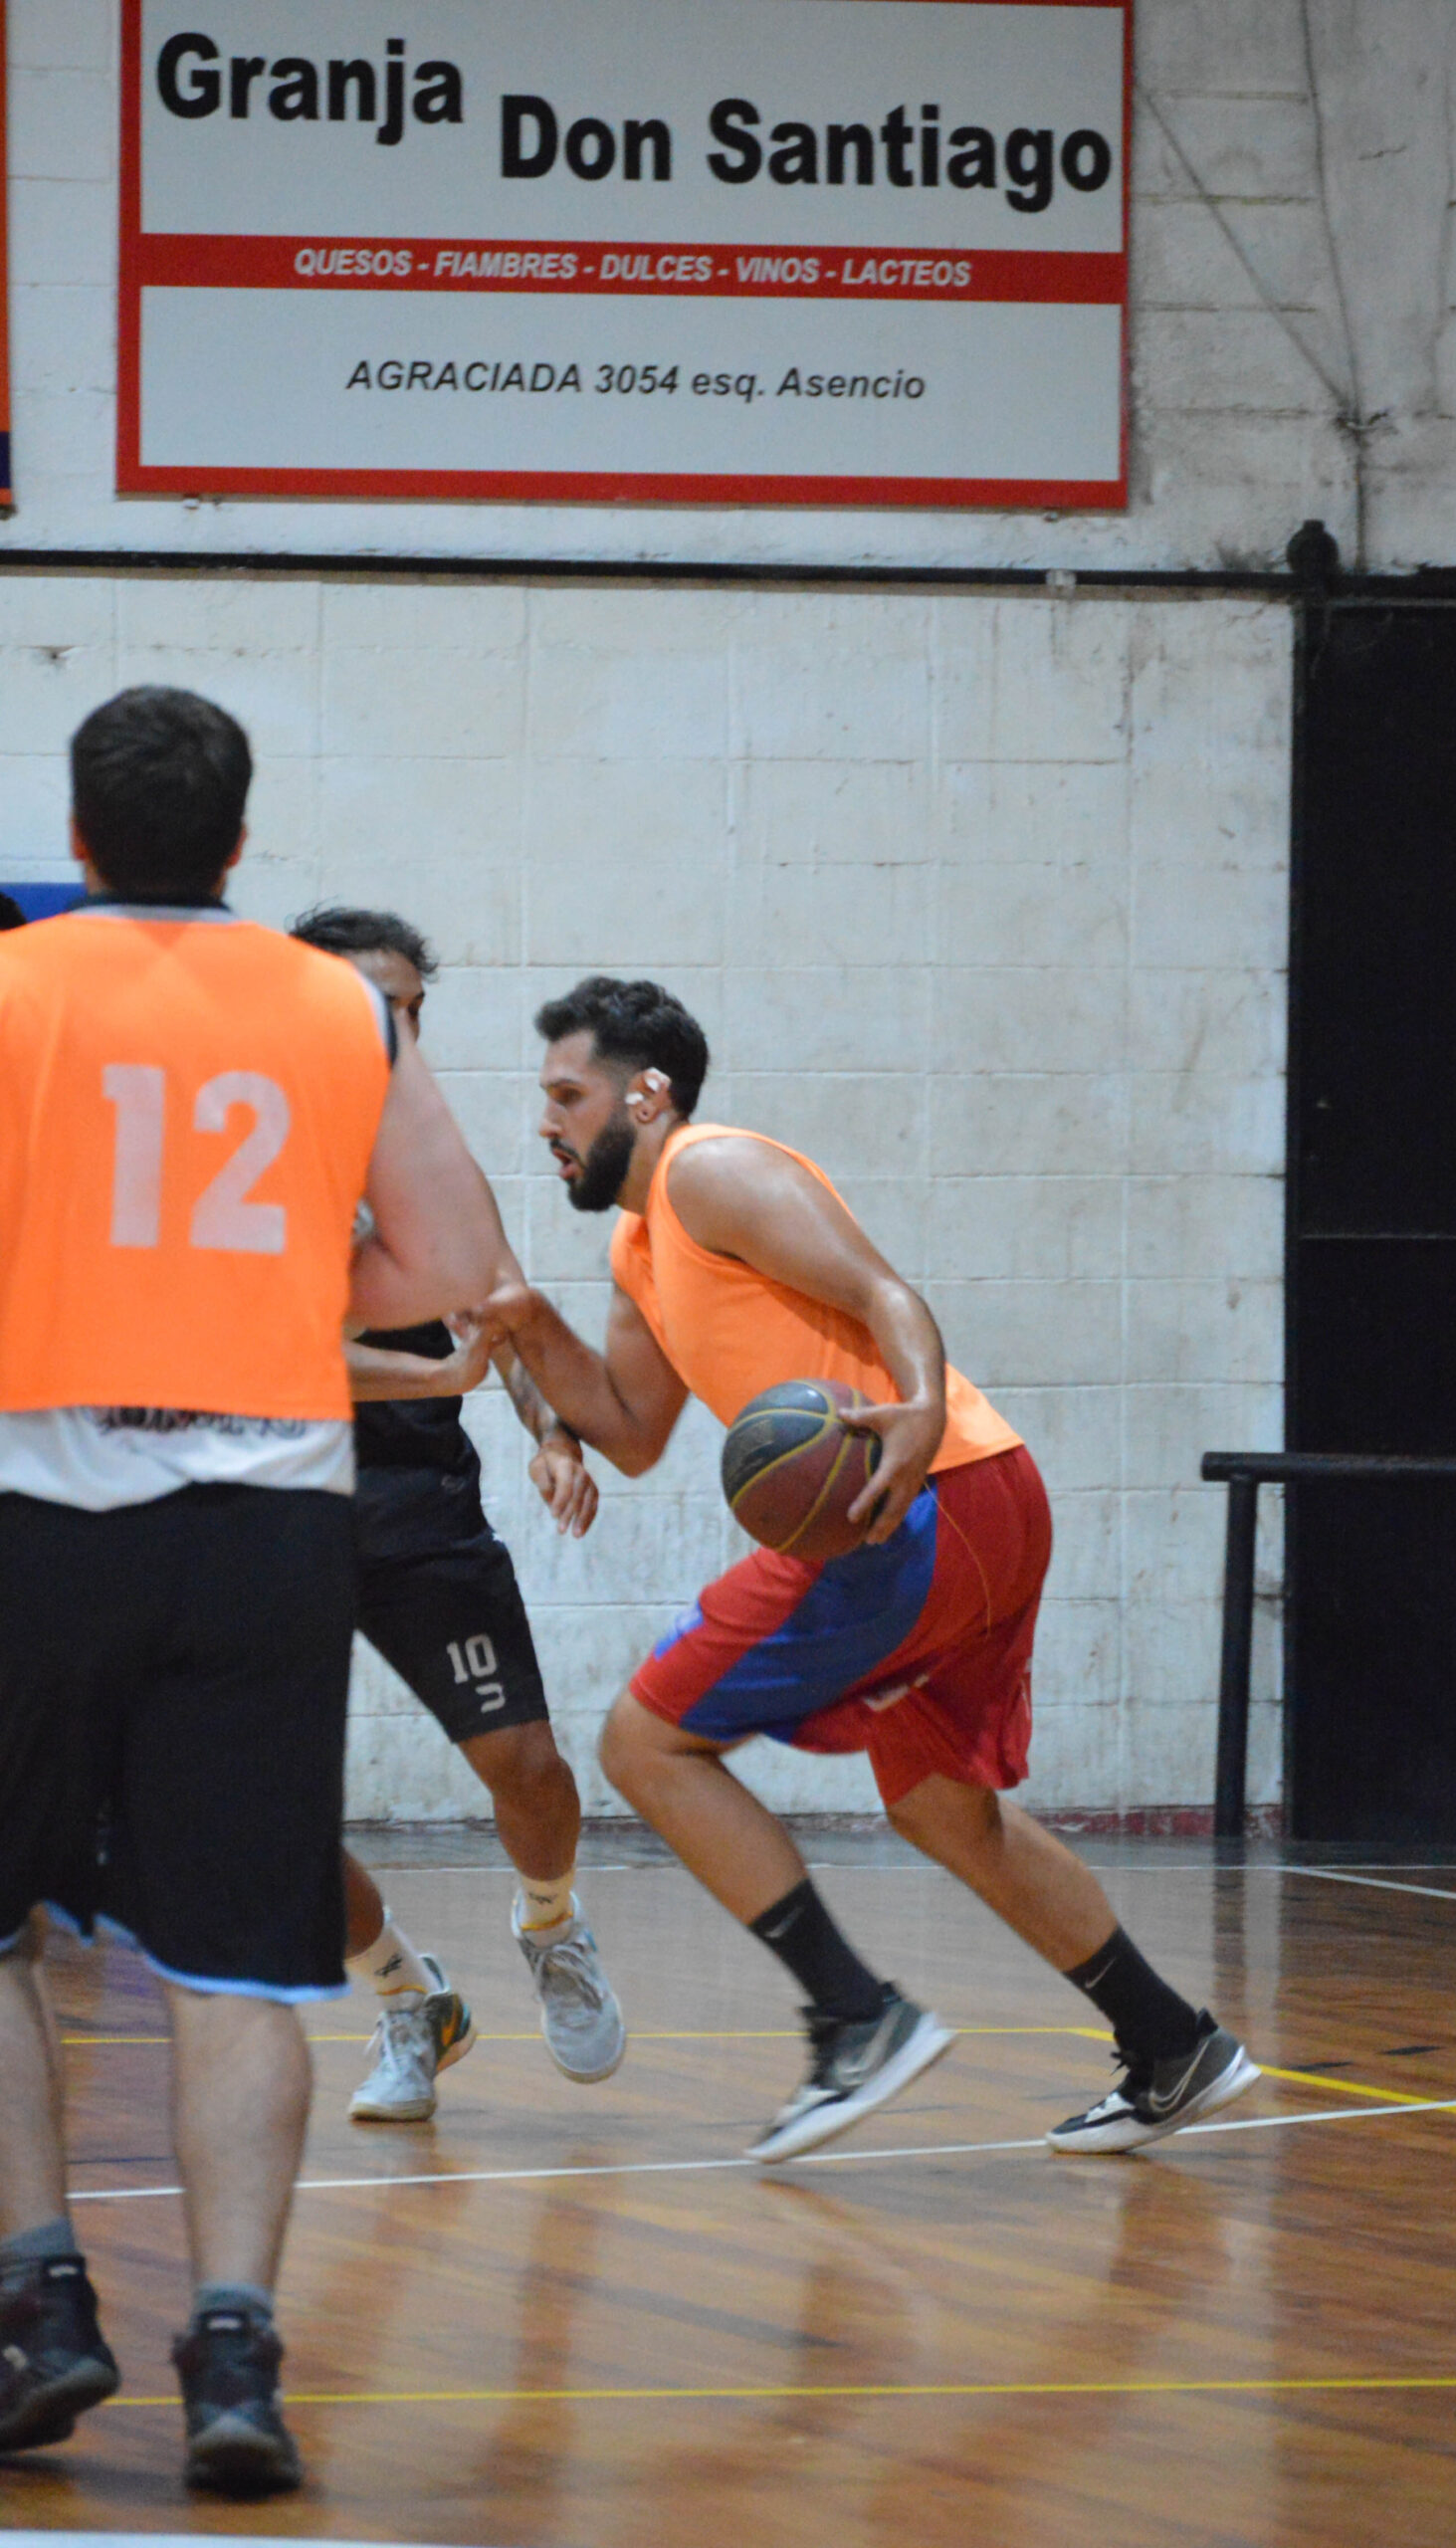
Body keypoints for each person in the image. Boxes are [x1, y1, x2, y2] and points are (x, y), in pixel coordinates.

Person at [479, 976, 1260, 2164]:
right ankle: (1170, 2041)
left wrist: (921, 1407)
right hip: (981, 1500)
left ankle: (856, 2018)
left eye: (567, 1095)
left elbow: (882, 1289)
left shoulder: (709, 1170)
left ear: (646, 1095)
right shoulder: (639, 1250)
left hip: (914, 1498)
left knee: (645, 1742)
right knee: (942, 1807)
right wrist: (528, 1325)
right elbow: (631, 1431)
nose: (547, 1121)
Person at [0, 690, 502, 2495]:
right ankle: (233, 2355)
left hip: (42, 1511)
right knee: (234, 1961)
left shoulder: (10, 988)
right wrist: (275, 1282)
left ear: (79, 839)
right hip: (271, 1526)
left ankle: (41, 2304)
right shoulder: (340, 1008)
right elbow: (450, 1264)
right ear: (235, 839)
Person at [289, 908, 624, 2120]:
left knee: (523, 1764)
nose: (402, 1030)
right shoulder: (251, 1154)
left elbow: (502, 1316)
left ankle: (552, 1924)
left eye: (414, 1011)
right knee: (270, 1811)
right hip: (275, 1507)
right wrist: (438, 1372)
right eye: (380, 1007)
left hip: (416, 1506)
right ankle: (407, 1997)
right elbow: (283, 1354)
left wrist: (550, 1433)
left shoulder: (427, 1164)